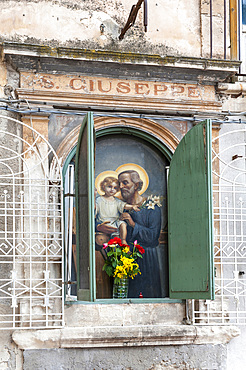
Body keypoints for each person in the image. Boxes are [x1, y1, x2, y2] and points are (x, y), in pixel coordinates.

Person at [97, 170, 163, 298]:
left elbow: (153, 236)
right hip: (122, 258)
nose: (121, 187)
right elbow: (100, 219)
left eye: (125, 183)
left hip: (146, 260)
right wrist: (99, 227)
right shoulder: (117, 204)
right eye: (119, 183)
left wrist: (133, 224)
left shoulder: (151, 207)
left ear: (136, 185)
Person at [95, 176, 139, 245]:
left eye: (115, 188)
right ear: (103, 187)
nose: (112, 189)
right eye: (109, 186)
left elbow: (124, 205)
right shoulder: (99, 199)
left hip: (115, 221)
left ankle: (123, 240)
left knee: (123, 224)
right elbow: (94, 210)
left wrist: (132, 207)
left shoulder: (117, 201)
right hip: (104, 222)